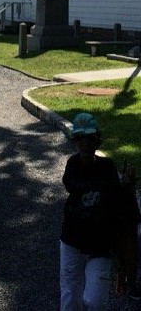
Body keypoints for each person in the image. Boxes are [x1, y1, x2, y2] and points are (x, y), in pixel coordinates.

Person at [60, 112, 138, 311]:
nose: (85, 144)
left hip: (101, 247)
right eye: (80, 138)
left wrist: (127, 185)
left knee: (95, 302)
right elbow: (72, 184)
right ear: (75, 142)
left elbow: (120, 201)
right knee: (70, 297)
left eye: (90, 138)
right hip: (72, 242)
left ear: (98, 141)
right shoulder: (73, 165)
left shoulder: (108, 166)